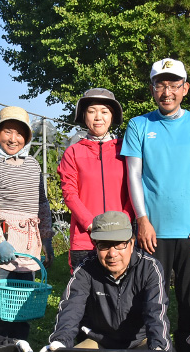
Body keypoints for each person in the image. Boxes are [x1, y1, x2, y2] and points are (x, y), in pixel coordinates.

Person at [121, 58, 190, 352]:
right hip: (153, 232)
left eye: (174, 84)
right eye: (161, 84)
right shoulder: (139, 125)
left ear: (185, 88)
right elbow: (134, 175)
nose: (167, 91)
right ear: (152, 88)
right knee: (153, 301)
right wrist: (142, 219)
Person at [38, 212, 180, 352]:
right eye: (104, 245)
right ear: (95, 245)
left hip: (139, 342)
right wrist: (59, 343)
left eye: (120, 244)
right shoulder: (85, 270)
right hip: (100, 343)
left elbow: (156, 312)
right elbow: (71, 308)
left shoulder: (149, 268)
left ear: (132, 243)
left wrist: (159, 348)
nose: (112, 253)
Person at [0, 106, 54, 339]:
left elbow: (41, 202)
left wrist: (47, 239)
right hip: (3, 238)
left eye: (19, 133)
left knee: (22, 304)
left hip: (28, 243)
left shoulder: (32, 165)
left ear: (27, 137)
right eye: (8, 132)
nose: (13, 139)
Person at [57, 88, 133, 272]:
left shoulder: (125, 150)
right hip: (85, 237)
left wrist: (122, 222)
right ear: (84, 116)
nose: (98, 117)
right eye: (92, 111)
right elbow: (69, 193)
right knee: (84, 294)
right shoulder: (73, 152)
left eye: (104, 111)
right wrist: (91, 224)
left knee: (120, 295)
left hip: (119, 236)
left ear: (112, 116)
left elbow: (133, 190)